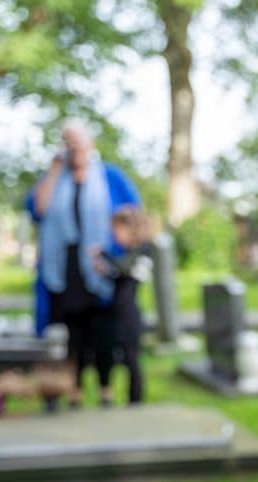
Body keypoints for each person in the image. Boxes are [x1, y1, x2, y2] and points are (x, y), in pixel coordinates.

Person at [25, 119, 141, 408]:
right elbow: (38, 210)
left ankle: (104, 393)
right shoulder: (54, 177)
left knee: (100, 337)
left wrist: (119, 255)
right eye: (68, 141)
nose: (74, 147)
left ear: (91, 144)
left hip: (100, 273)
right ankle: (63, 394)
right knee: (66, 339)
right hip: (63, 272)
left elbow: (134, 218)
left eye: (79, 140)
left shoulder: (110, 177)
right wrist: (53, 169)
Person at [106, 206, 152, 404]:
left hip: (129, 314)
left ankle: (136, 401)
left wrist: (103, 255)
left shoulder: (143, 252)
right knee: (122, 358)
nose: (114, 234)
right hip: (120, 312)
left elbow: (126, 270)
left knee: (132, 360)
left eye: (117, 230)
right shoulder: (130, 253)